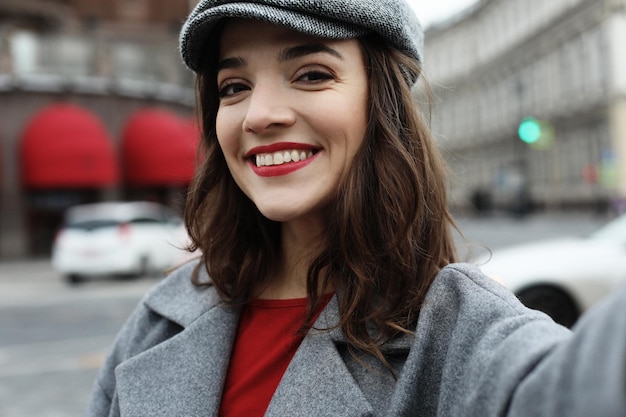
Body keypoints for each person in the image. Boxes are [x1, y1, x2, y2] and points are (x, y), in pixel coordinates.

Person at [85, 1, 626, 416]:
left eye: (312, 74)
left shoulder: (458, 329)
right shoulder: (162, 317)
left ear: (382, 103)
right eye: (234, 86)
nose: (259, 114)